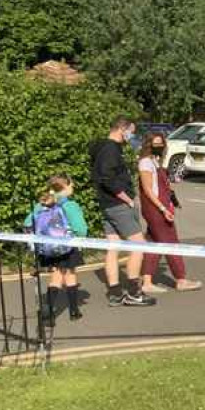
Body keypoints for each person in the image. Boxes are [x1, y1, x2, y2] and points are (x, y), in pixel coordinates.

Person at [89, 116, 156, 307]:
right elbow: (107, 178)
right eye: (131, 132)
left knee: (113, 246)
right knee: (139, 246)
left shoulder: (103, 147)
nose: (132, 136)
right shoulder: (110, 149)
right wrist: (127, 199)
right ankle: (134, 293)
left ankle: (115, 292)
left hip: (106, 204)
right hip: (118, 205)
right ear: (122, 129)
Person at [137, 132, 202, 294]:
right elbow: (148, 190)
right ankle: (181, 279)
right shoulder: (145, 162)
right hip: (155, 208)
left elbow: (162, 185)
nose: (160, 147)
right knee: (171, 242)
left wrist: (172, 199)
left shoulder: (154, 161)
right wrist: (163, 209)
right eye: (156, 144)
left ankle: (147, 281)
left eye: (161, 143)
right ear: (148, 145)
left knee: (154, 243)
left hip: (160, 206)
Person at [24, 174, 88, 324]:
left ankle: (67, 310)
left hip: (49, 247)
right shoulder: (69, 205)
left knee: (63, 274)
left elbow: (28, 223)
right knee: (65, 275)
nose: (73, 187)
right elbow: (81, 229)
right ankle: (60, 311)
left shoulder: (41, 204)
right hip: (67, 246)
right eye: (71, 185)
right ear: (65, 188)